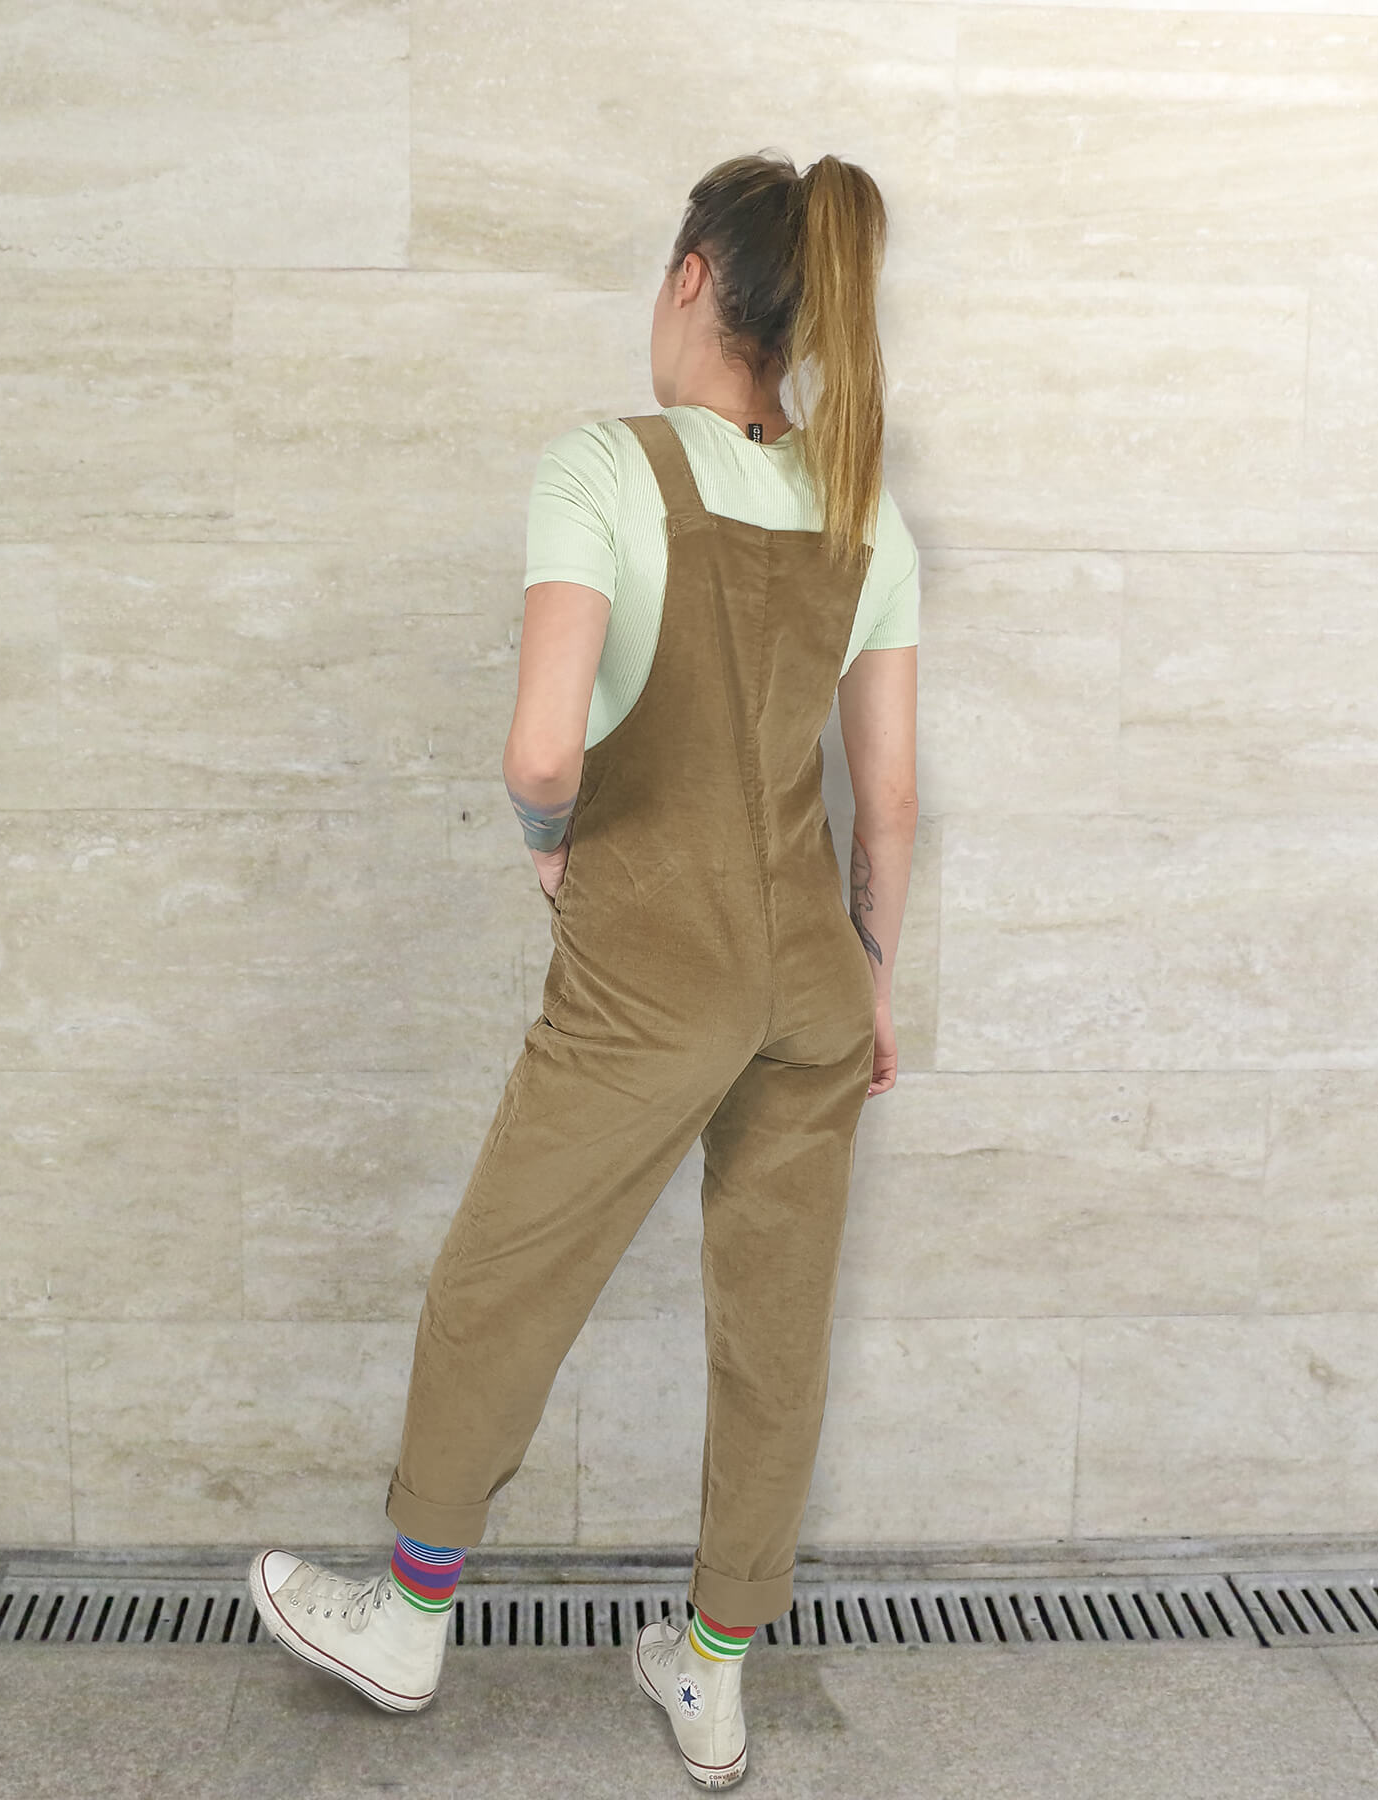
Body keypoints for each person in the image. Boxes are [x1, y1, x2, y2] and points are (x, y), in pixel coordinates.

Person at [248, 146, 920, 1791]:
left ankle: (409, 1623)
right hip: (807, 988)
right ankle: (708, 1674)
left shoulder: (603, 466)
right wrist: (868, 985)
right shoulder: (859, 500)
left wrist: (543, 833)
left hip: (648, 963)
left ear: (693, 276)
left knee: (506, 1274)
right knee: (773, 1331)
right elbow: (884, 805)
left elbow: (544, 740)